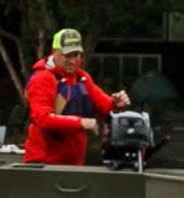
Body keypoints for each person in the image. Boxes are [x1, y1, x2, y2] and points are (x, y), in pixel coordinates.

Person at [22, 29, 129, 166]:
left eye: (76, 55)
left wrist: (116, 103)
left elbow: (103, 104)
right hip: (43, 163)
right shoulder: (42, 79)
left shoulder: (82, 77)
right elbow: (43, 119)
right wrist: (80, 122)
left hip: (73, 162)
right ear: (54, 52)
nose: (73, 61)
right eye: (67, 55)